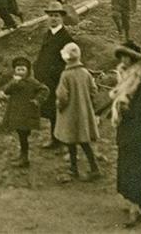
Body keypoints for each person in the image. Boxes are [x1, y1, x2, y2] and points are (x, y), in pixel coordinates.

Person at [110, 42, 141, 228]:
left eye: (128, 57)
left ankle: (136, 208)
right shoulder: (125, 77)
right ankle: (136, 201)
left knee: (136, 165)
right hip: (127, 126)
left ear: (135, 59)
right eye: (122, 57)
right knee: (126, 163)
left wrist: (125, 110)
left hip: (139, 126)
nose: (124, 60)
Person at [53, 42, 101, 183]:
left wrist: (59, 106)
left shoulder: (66, 75)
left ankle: (75, 168)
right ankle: (93, 167)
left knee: (70, 140)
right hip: (83, 112)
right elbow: (94, 90)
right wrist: (88, 102)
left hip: (69, 113)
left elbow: (62, 96)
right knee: (83, 140)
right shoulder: (85, 73)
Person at [32, 1, 74, 149]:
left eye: (56, 16)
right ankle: (56, 139)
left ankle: (59, 140)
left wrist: (57, 75)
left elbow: (69, 61)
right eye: (51, 16)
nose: (53, 19)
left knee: (58, 111)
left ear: (62, 18)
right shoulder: (48, 34)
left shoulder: (65, 38)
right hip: (45, 80)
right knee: (50, 111)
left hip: (57, 80)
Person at [1, 57, 48, 168]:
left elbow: (44, 89)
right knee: (21, 135)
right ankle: (22, 155)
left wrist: (37, 100)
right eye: (18, 70)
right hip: (16, 114)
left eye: (23, 70)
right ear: (15, 71)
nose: (20, 72)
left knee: (23, 136)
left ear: (27, 71)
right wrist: (14, 83)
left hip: (26, 115)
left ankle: (25, 159)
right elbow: (6, 91)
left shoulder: (32, 82)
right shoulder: (14, 82)